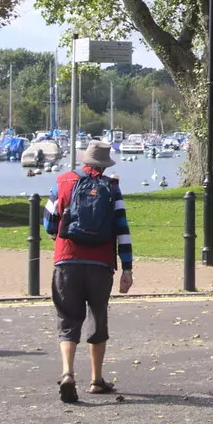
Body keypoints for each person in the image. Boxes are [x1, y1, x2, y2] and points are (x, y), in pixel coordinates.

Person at [44, 140, 133, 403]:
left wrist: (59, 237)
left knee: (68, 318)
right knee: (98, 317)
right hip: (101, 264)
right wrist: (127, 268)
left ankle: (68, 373)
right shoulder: (111, 188)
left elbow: (49, 223)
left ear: (85, 160)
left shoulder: (62, 182)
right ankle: (96, 380)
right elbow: (122, 230)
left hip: (66, 261)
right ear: (105, 165)